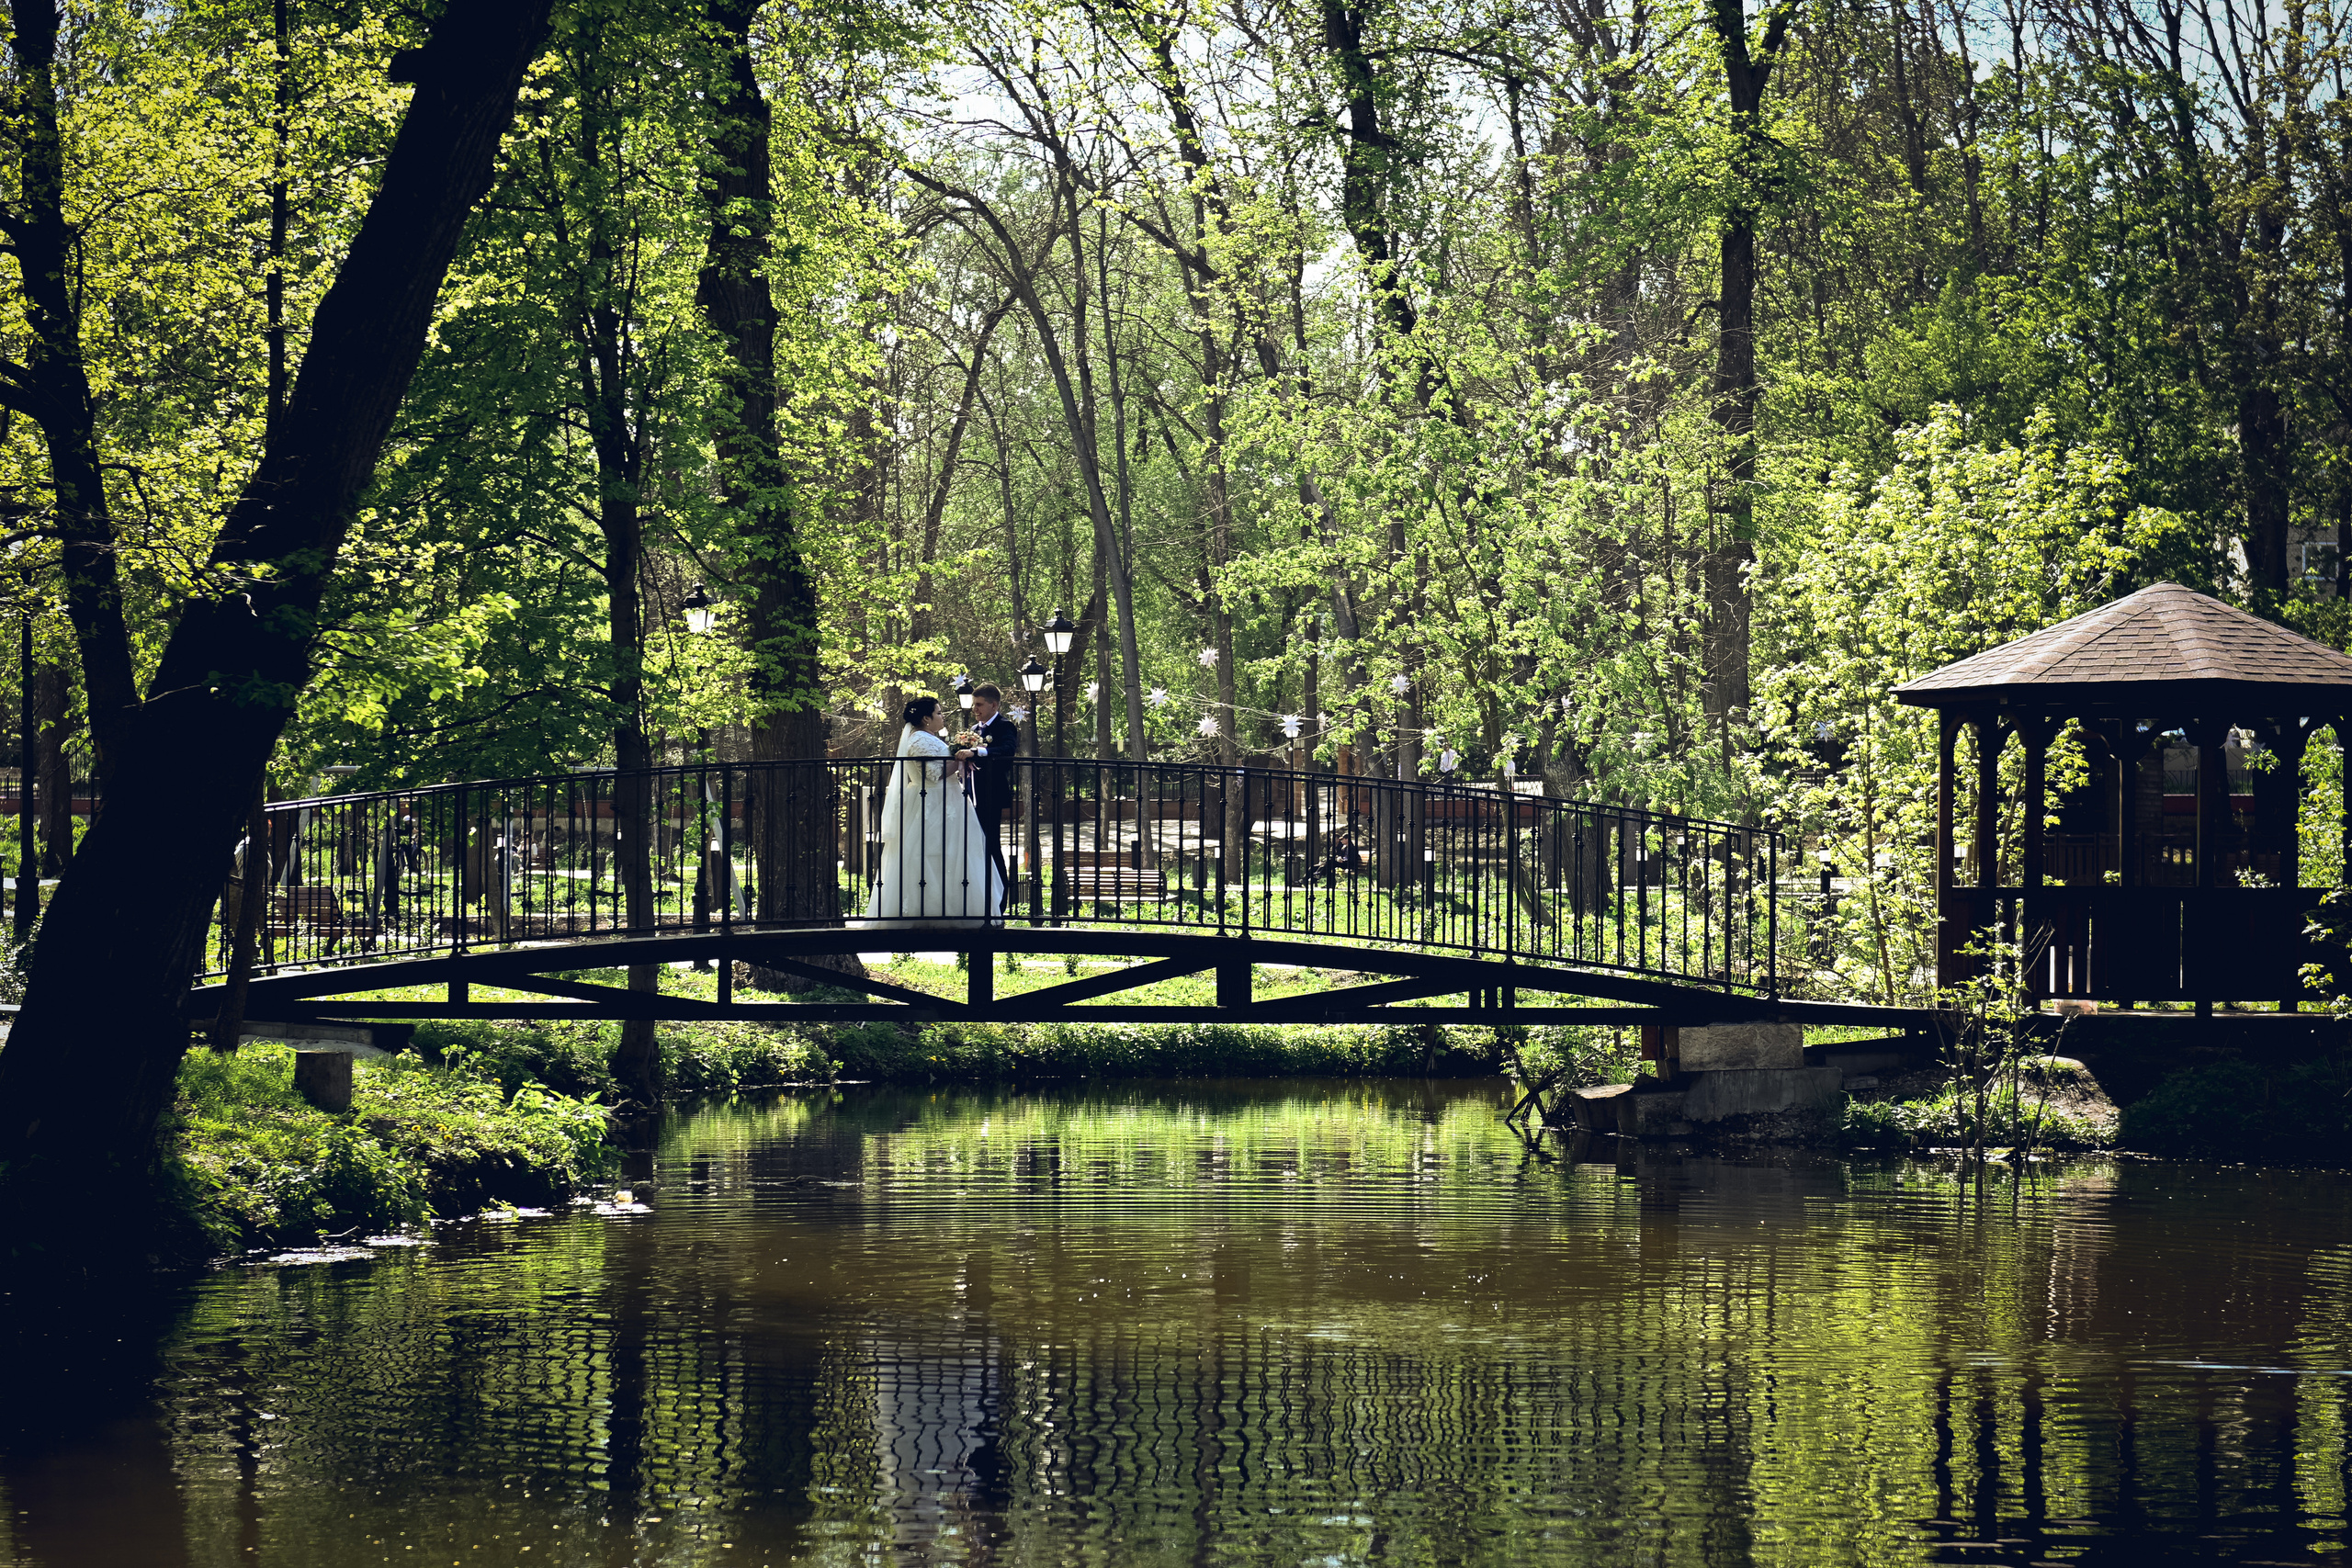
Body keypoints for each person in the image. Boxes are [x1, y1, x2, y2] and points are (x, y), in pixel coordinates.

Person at [862, 695, 1003, 925]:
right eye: (938, 713)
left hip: (946, 802)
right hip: (934, 804)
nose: (942, 716)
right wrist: (961, 756)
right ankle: (930, 912)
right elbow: (934, 774)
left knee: (953, 854)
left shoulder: (928, 737)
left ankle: (956, 908)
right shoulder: (919, 741)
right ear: (926, 718)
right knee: (932, 854)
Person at [965, 682, 1020, 908]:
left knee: (991, 845)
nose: (975, 709)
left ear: (993, 705)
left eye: (979, 705)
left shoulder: (1004, 726)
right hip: (971, 794)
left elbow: (1007, 751)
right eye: (973, 705)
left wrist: (978, 751)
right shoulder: (974, 730)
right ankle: (980, 898)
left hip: (991, 794)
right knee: (975, 846)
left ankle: (1000, 902)